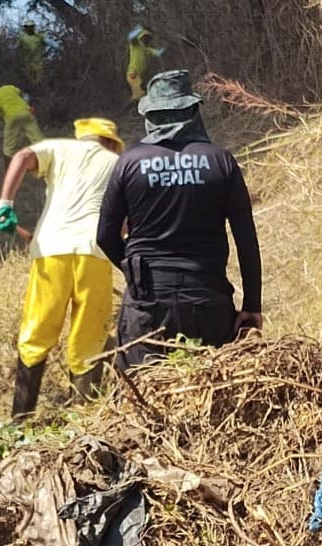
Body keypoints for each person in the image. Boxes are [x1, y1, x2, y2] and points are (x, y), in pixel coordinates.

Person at [97, 69, 263, 372]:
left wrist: (138, 275)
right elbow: (246, 241)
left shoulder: (129, 163)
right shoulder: (221, 161)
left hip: (147, 304)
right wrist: (252, 305)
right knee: (211, 389)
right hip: (207, 299)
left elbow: (105, 235)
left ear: (150, 115)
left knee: (141, 391)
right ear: (193, 111)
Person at [0, 118, 125, 421]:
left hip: (51, 249)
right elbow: (124, 222)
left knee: (37, 330)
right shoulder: (118, 163)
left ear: (82, 137)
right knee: (90, 336)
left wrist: (5, 204)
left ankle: (20, 419)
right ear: (110, 142)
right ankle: (84, 419)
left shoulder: (59, 149)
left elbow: (22, 156)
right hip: (95, 253)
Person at [0, 81, 44, 166]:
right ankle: (49, 164)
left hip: (12, 119)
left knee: (8, 149)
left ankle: (9, 171)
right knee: (38, 141)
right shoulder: (9, 87)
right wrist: (26, 105)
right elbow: (25, 96)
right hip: (27, 114)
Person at [126, 26, 165, 103]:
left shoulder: (145, 49)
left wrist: (165, 48)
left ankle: (134, 105)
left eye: (148, 38)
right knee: (139, 95)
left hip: (139, 76)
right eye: (145, 38)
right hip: (133, 74)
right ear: (141, 37)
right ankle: (131, 106)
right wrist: (139, 29)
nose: (147, 40)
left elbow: (157, 53)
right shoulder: (136, 44)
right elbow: (130, 37)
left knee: (142, 94)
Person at [16, 20, 58, 88]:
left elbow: (50, 42)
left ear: (33, 27)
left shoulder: (39, 36)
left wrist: (57, 46)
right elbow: (16, 47)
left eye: (31, 26)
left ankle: (40, 89)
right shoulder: (22, 38)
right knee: (30, 81)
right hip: (27, 63)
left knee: (40, 80)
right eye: (28, 27)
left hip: (38, 62)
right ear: (25, 28)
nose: (29, 28)